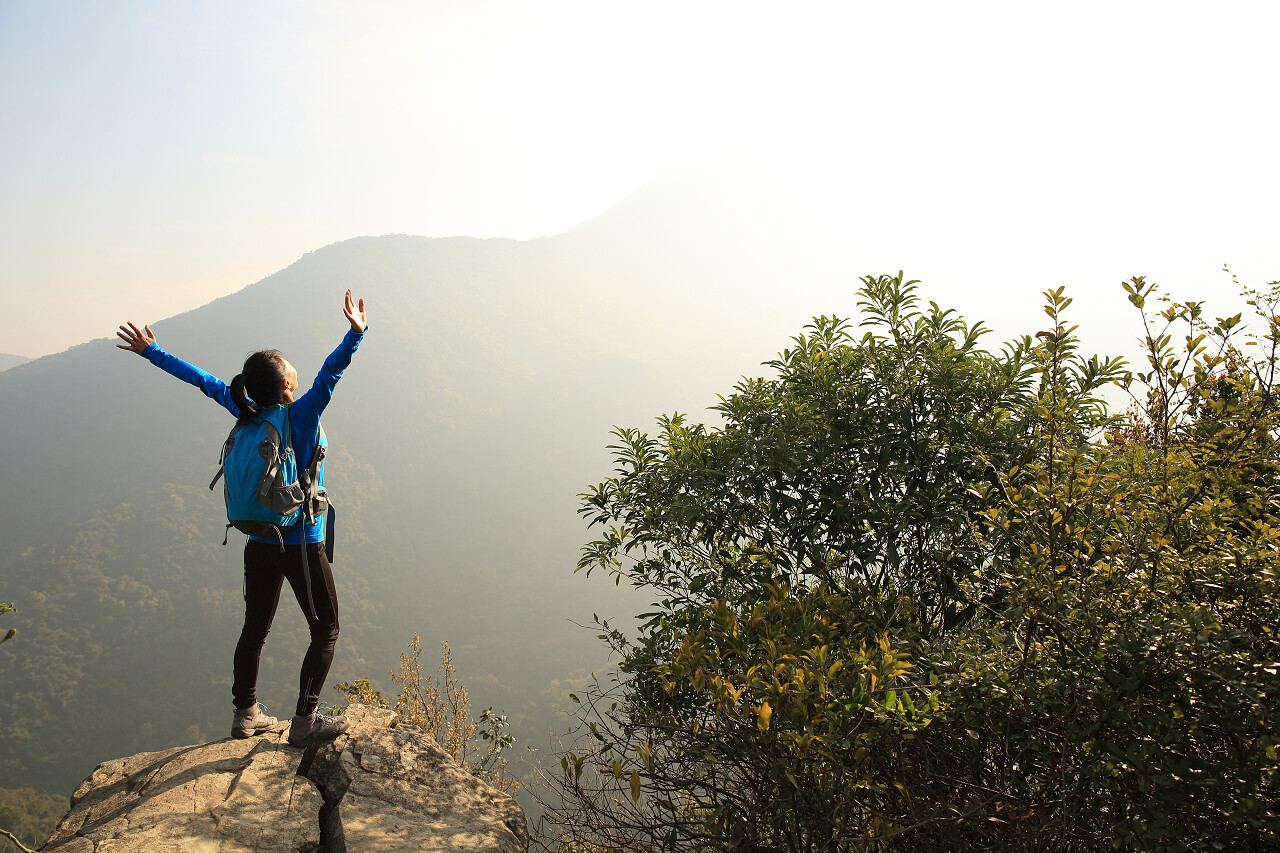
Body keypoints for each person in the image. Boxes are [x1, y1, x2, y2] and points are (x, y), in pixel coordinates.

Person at [116, 289, 368, 747]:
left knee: (255, 628)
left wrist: (152, 352)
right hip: (300, 542)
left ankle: (245, 713)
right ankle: (305, 723)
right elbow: (331, 372)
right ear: (288, 386)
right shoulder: (301, 416)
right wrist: (356, 333)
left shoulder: (244, 409)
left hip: (258, 541)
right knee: (326, 629)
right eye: (289, 369)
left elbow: (202, 379)